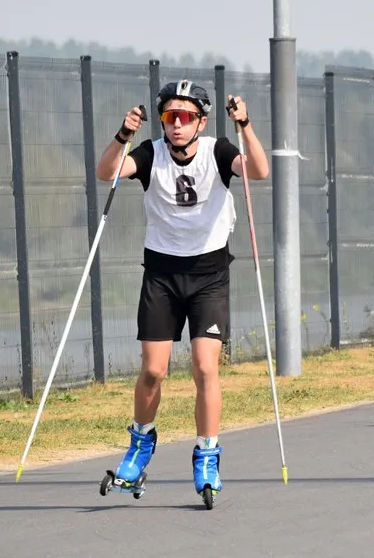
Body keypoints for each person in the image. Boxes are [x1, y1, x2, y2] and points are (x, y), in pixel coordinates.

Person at [96, 80, 269, 499]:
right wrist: (123, 135)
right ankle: (139, 446)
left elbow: (259, 171)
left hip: (209, 273)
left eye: (185, 117)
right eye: (169, 116)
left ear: (200, 122)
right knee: (153, 371)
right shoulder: (151, 153)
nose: (176, 125)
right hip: (161, 274)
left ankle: (207, 456)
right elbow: (107, 174)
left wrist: (245, 125)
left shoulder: (217, 150)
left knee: (205, 367)